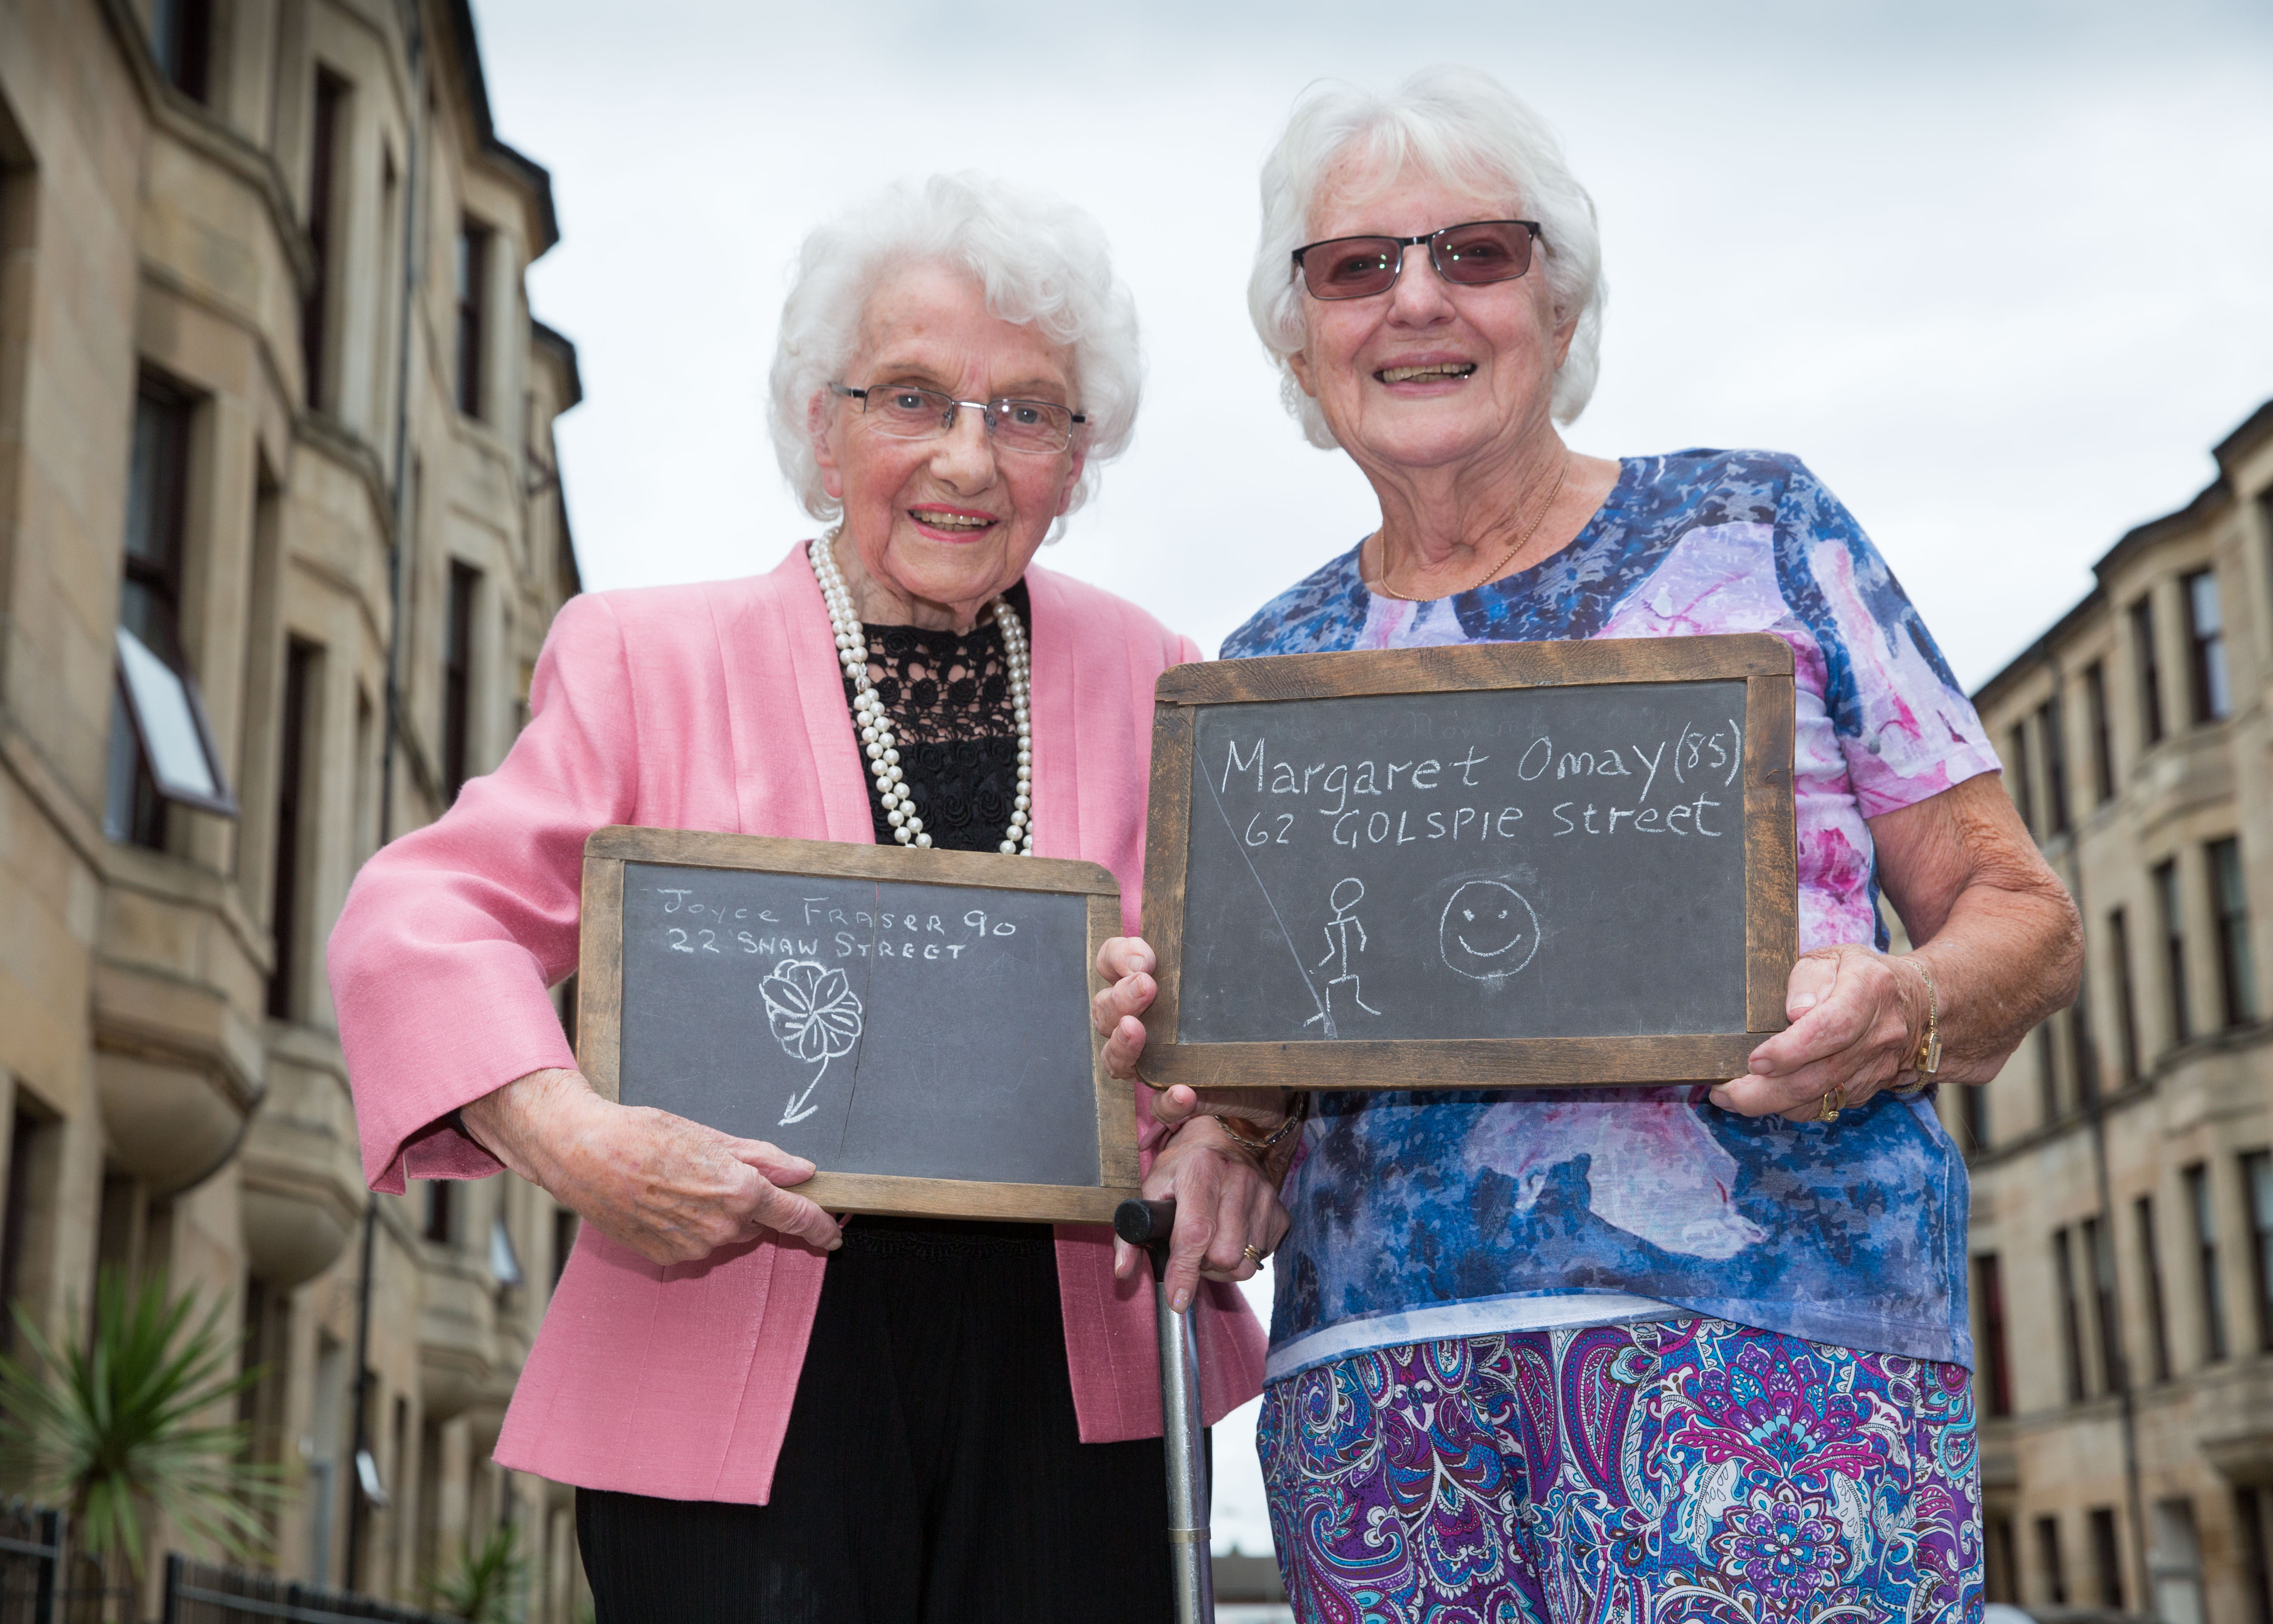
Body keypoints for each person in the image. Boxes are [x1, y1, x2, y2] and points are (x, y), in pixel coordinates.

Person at [1093, 68, 2082, 1624]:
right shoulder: (1273, 662)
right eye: (1358, 266)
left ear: (1558, 305)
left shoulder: (1761, 532)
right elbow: (1282, 1074)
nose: (1415, 298)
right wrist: (1226, 1123)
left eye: (1475, 252)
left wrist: (1905, 1007)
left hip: (1770, 1361)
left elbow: (2019, 910)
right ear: (1301, 339)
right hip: (1387, 1403)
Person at [328, 173, 1283, 1624]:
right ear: (822, 428)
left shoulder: (1159, 671)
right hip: (726, 1348)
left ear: (1076, 461)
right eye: (911, 397)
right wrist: (569, 1135)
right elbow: (421, 919)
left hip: (1073, 1368)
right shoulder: (645, 657)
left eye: (1025, 412)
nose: (967, 457)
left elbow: (1261, 1002)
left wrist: (1225, 1120)